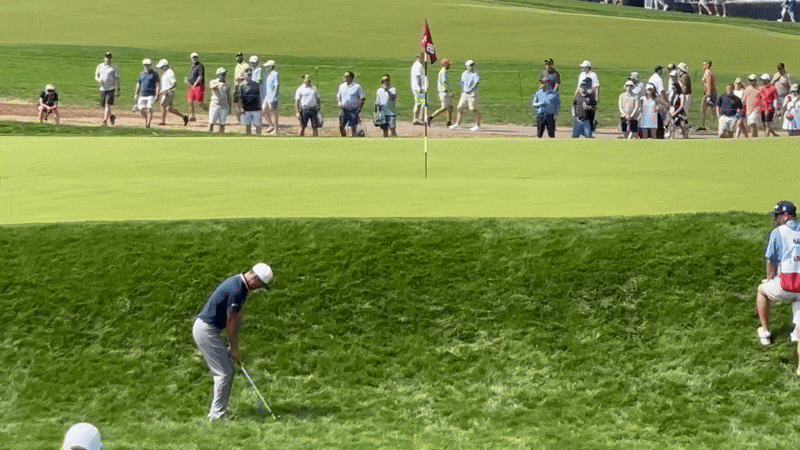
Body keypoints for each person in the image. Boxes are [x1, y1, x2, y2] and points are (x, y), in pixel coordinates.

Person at [193, 263, 273, 420]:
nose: (259, 288)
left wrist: (232, 346)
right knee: (224, 373)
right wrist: (234, 347)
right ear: (255, 278)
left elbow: (237, 314)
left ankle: (218, 413)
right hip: (206, 331)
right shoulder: (238, 290)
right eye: (260, 285)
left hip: (208, 329)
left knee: (227, 371)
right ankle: (217, 416)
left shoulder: (238, 283)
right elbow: (232, 321)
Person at [755, 202, 800, 368]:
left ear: (785, 216)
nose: (775, 219)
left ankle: (765, 332)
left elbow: (771, 261)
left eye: (777, 216)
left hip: (787, 286)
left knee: (762, 291)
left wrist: (769, 279)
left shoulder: (778, 232)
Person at [450, 60, 482, 131]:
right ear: (467, 66)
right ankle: (457, 124)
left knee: (473, 109)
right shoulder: (464, 74)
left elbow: (476, 83)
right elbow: (463, 83)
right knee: (459, 107)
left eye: (472, 65)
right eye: (470, 65)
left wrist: (470, 89)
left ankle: (478, 125)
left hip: (472, 93)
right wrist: (464, 90)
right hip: (465, 93)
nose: (471, 66)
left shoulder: (475, 74)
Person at [156, 59, 189, 126]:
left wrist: (166, 90)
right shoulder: (166, 73)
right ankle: (184, 117)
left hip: (168, 93)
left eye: (161, 67)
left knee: (163, 105)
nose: (160, 68)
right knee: (170, 109)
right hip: (167, 92)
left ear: (165, 66)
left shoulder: (170, 73)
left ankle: (163, 121)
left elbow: (174, 84)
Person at [336, 71, 366, 137]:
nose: (345, 78)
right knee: (341, 126)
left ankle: (353, 138)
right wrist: (339, 102)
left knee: (353, 127)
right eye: (344, 76)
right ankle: (344, 137)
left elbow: (362, 98)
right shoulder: (342, 86)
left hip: (353, 110)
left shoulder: (357, 87)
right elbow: (339, 96)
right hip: (344, 109)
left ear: (351, 77)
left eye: (347, 76)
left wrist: (359, 108)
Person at [94, 51, 119, 126]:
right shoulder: (100, 66)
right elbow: (96, 75)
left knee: (108, 104)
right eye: (107, 57)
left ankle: (105, 120)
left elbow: (117, 78)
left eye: (109, 57)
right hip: (103, 88)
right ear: (104, 58)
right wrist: (99, 80)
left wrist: (118, 88)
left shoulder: (113, 67)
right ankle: (111, 116)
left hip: (111, 88)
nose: (108, 59)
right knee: (104, 105)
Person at [134, 59, 160, 128]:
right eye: (145, 65)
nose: (146, 66)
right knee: (141, 109)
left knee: (150, 108)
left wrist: (157, 94)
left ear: (150, 65)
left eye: (148, 65)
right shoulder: (142, 74)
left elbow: (157, 84)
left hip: (151, 94)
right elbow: (138, 84)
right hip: (142, 94)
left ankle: (148, 123)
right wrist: (136, 93)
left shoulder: (154, 74)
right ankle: (147, 118)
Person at [428, 59, 452, 126]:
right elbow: (444, 82)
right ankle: (430, 117)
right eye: (448, 64)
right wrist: (449, 91)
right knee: (444, 107)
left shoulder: (444, 72)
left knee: (450, 106)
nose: (449, 65)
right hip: (444, 92)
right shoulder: (443, 72)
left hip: (444, 92)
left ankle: (449, 122)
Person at [577, 60, 600, 131]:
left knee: (590, 111)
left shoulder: (593, 75)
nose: (582, 68)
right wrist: (576, 94)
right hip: (582, 95)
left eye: (584, 67)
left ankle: (591, 125)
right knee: (582, 111)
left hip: (590, 95)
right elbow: (579, 86)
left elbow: (596, 87)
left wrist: (596, 97)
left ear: (587, 67)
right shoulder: (581, 75)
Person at [239, 68, 262, 135]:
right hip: (246, 108)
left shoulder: (256, 84)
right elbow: (240, 98)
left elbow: (259, 96)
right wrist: (241, 107)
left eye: (251, 74)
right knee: (248, 125)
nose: (250, 76)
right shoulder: (242, 86)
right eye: (248, 74)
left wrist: (261, 106)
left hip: (256, 108)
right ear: (245, 75)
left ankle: (259, 137)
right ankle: (249, 137)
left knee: (257, 125)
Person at [186, 52, 208, 121]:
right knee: (190, 101)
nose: (195, 58)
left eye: (196, 57)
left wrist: (195, 84)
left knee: (199, 102)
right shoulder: (193, 66)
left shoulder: (200, 66)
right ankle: (193, 116)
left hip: (199, 86)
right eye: (193, 57)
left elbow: (200, 76)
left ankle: (210, 112)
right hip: (192, 86)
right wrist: (189, 81)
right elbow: (193, 76)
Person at [208, 68, 231, 133]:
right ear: (219, 75)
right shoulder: (213, 82)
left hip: (224, 106)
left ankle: (221, 135)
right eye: (223, 74)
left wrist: (230, 107)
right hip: (215, 105)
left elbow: (229, 96)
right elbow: (211, 87)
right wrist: (219, 84)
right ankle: (209, 134)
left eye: (225, 74)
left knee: (222, 123)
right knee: (211, 122)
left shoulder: (227, 83)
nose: (224, 76)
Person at [648, 66, 667, 138]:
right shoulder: (658, 79)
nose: (662, 71)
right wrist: (666, 101)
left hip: (650, 99)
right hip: (656, 99)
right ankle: (659, 135)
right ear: (658, 70)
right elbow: (661, 91)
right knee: (658, 118)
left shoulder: (651, 78)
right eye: (661, 70)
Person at [262, 60, 280, 134]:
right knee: (264, 109)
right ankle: (271, 125)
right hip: (267, 97)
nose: (266, 68)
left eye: (267, 66)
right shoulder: (269, 75)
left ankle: (276, 130)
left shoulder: (275, 74)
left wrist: (274, 97)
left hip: (272, 97)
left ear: (270, 67)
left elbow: (277, 86)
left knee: (274, 112)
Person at [698, 60, 717, 131]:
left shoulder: (708, 73)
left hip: (709, 93)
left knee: (706, 109)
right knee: (708, 109)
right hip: (709, 92)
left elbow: (709, 84)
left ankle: (713, 125)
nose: (703, 66)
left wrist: (708, 95)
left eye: (704, 64)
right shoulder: (708, 72)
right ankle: (704, 125)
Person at [760, 73, 780, 137]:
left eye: (763, 80)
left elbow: (776, 99)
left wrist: (777, 108)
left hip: (770, 108)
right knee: (764, 125)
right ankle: (774, 134)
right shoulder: (762, 89)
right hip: (763, 108)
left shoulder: (773, 88)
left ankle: (766, 137)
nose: (762, 82)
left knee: (767, 124)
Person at [410, 52, 428, 125]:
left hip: (416, 87)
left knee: (417, 103)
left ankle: (415, 118)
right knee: (423, 103)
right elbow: (418, 77)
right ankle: (420, 118)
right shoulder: (418, 65)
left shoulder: (415, 65)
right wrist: (420, 87)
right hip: (419, 88)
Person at [233, 53, 249, 123]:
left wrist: (241, 78)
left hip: (244, 87)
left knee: (243, 104)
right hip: (237, 86)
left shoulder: (246, 65)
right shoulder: (237, 66)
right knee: (237, 104)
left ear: (242, 57)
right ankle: (239, 119)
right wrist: (235, 88)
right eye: (237, 57)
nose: (239, 58)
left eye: (240, 57)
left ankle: (245, 119)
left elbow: (248, 75)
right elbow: (235, 79)